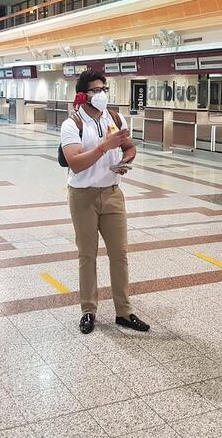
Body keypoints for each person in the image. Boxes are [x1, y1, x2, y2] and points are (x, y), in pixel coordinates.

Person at [60, 70, 149, 335]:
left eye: (103, 89)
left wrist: (125, 160)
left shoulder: (115, 118)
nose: (101, 94)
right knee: (87, 255)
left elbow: (130, 147)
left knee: (119, 254)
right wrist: (104, 146)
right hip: (83, 197)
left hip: (112, 193)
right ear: (82, 94)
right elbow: (75, 163)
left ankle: (124, 311)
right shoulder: (72, 124)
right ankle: (89, 310)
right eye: (95, 90)